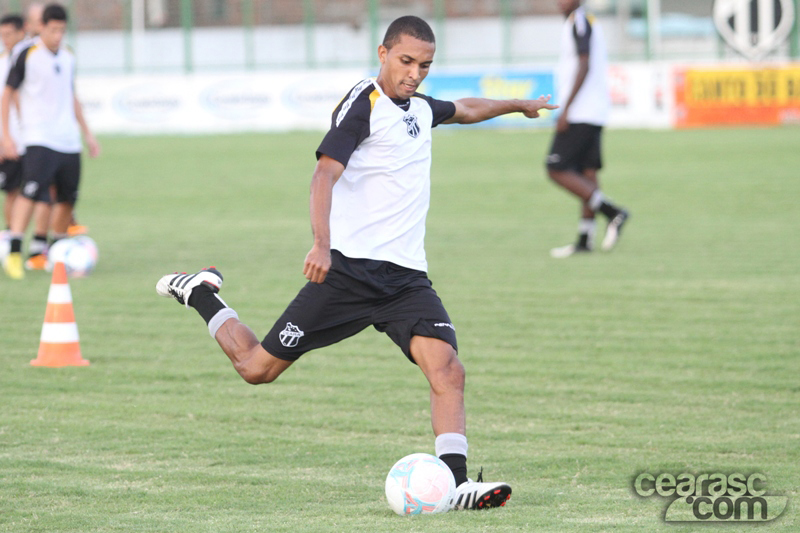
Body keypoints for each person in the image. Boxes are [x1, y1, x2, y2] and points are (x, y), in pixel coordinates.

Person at [157, 16, 556, 510]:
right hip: (347, 273)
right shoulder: (363, 104)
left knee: (448, 371)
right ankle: (200, 292)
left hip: (406, 280)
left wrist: (519, 105)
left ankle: (454, 486)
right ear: (383, 53)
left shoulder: (420, 108)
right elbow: (323, 175)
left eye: (425, 65)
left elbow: (467, 108)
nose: (414, 73)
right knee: (256, 369)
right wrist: (321, 244)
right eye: (406, 61)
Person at [1, 3, 99, 280]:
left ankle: (55, 251)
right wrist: (7, 135)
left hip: (68, 140)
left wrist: (88, 134)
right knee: (30, 192)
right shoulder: (27, 54)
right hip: (38, 137)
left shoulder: (68, 55)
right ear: (41, 27)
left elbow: (72, 96)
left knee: (67, 199)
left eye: (62, 30)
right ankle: (15, 251)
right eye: (53, 30)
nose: (57, 35)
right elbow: (7, 94)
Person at [546, 0, 629, 258]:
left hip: (581, 111)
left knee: (556, 168)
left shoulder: (579, 21)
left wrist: (567, 108)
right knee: (587, 173)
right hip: (594, 110)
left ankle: (613, 212)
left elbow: (585, 62)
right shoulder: (585, 21)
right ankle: (585, 239)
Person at [0, 14, 26, 232]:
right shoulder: (1, 63)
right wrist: (3, 140)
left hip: (35, 138)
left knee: (46, 190)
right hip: (11, 140)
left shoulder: (31, 59)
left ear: (21, 32)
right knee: (13, 191)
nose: (5, 39)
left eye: (9, 34)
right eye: (2, 35)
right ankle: (10, 236)